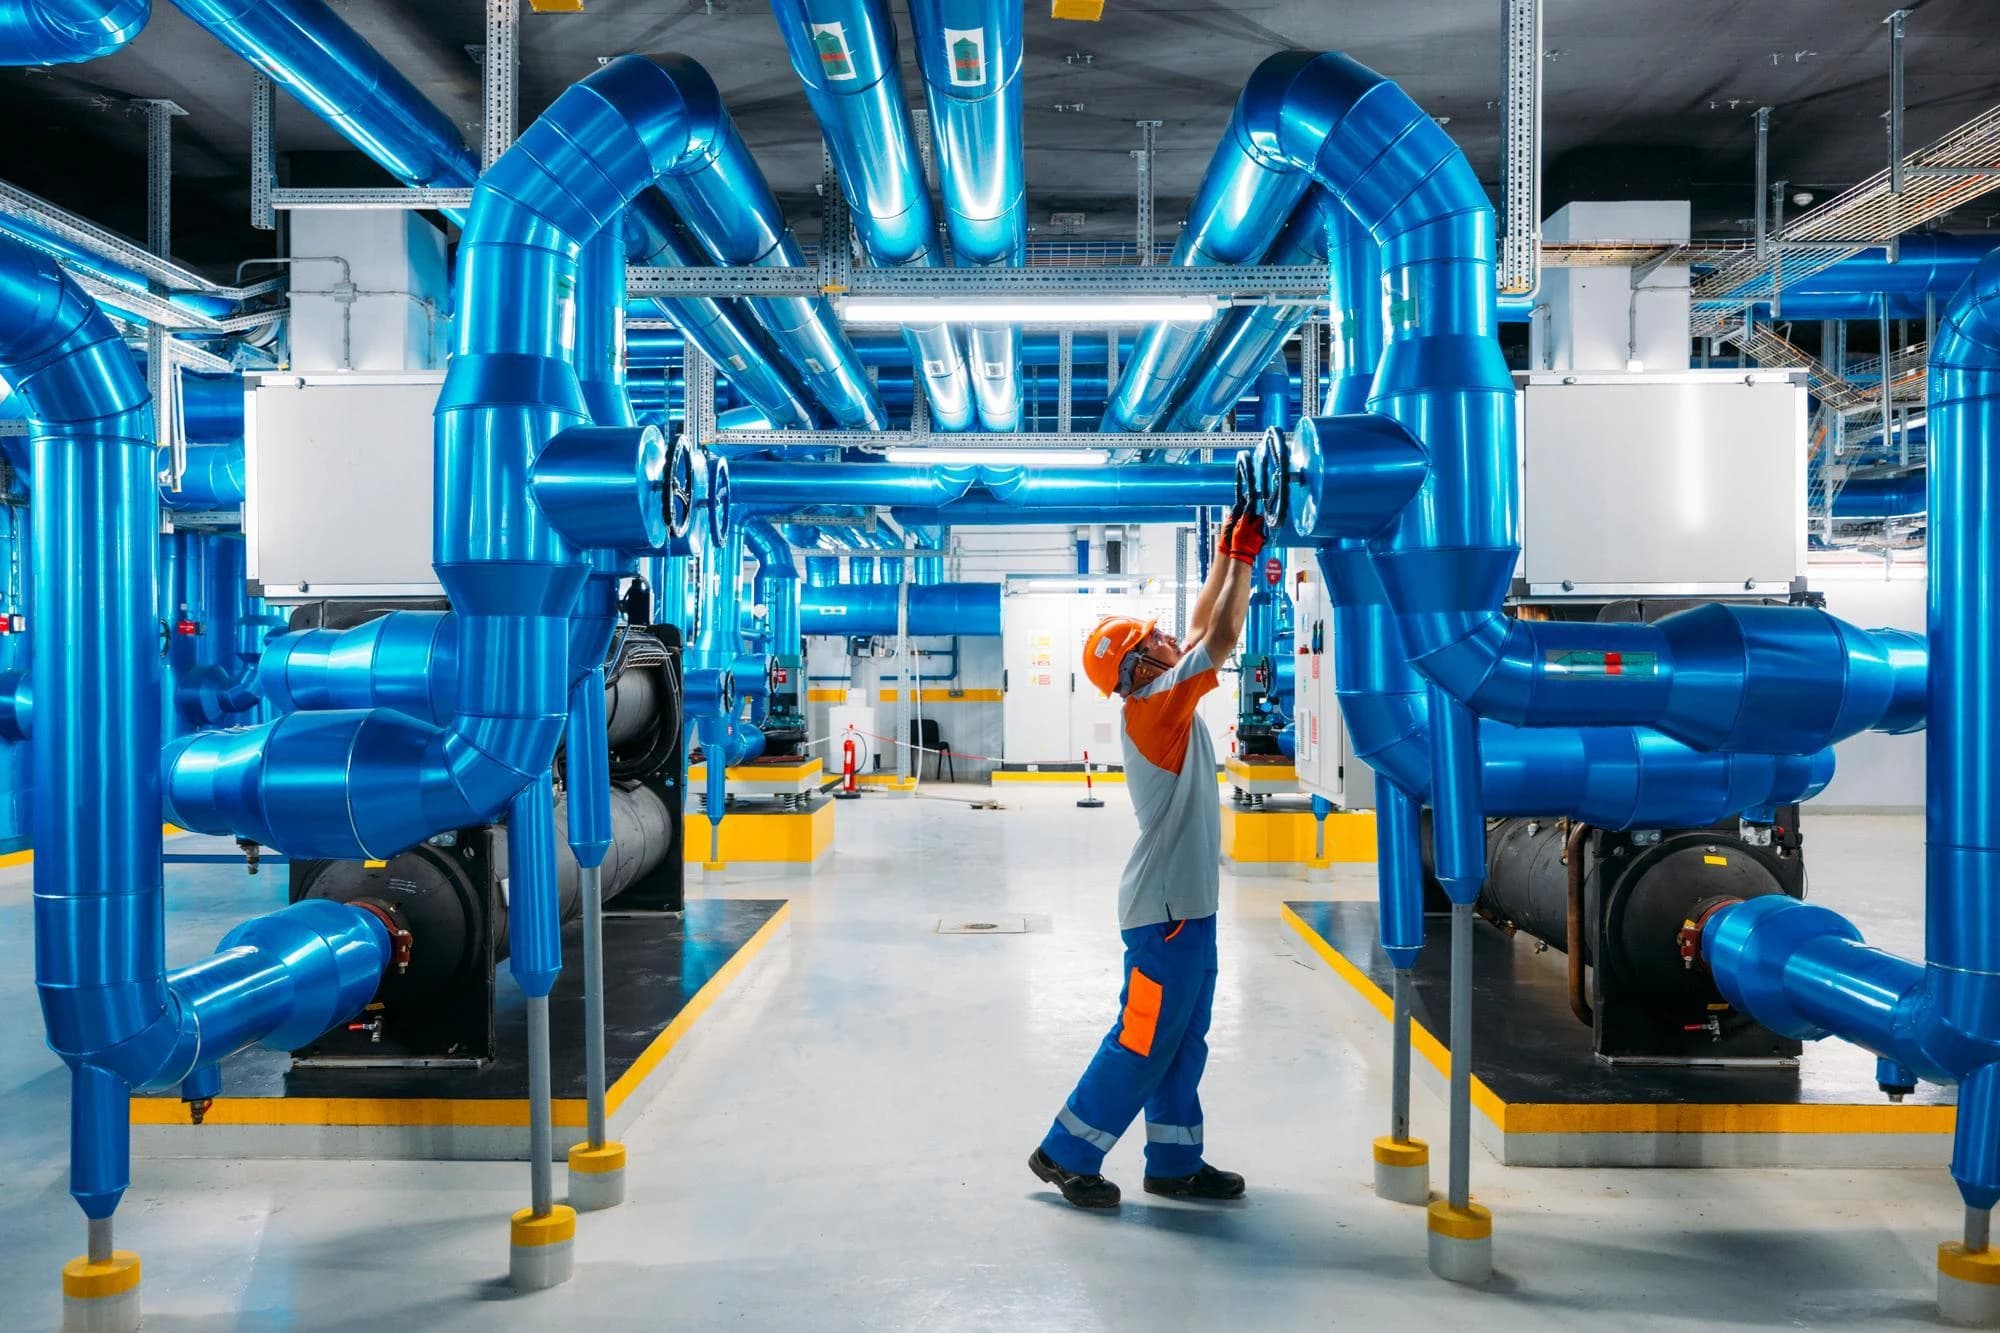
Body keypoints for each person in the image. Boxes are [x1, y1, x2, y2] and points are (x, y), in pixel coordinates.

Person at [1029, 505, 1267, 1208]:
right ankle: (1065, 1151)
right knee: (1143, 1037)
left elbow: (1197, 626)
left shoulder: (1160, 692)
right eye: (1151, 638)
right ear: (1137, 665)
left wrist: (1226, 552)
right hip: (1164, 911)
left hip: (1187, 905)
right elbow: (1220, 634)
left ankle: (1172, 1161)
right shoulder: (1156, 704)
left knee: (1183, 1038)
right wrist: (1248, 556)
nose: (1168, 636)